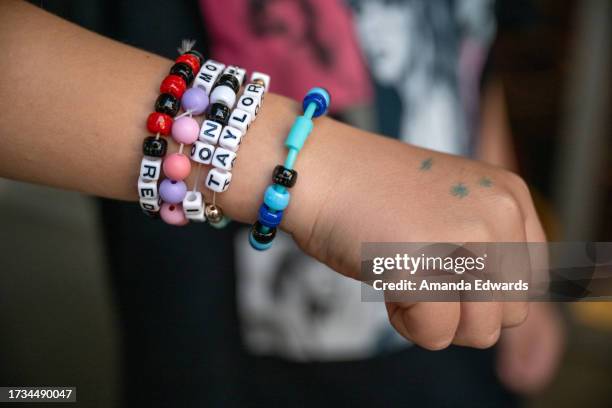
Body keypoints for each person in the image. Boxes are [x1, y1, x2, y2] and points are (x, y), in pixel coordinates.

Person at [0, 1, 557, 406]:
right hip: (230, 353)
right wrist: (318, 171)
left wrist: (516, 262)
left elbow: (471, 58)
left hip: (454, 333)